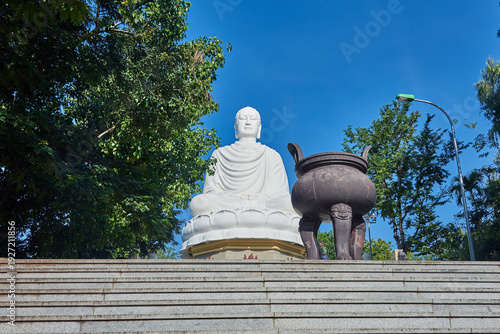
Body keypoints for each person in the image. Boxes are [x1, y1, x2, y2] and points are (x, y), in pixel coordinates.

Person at [189, 106, 295, 217]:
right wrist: (232, 198)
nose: (248, 123)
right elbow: (210, 190)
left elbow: (281, 193)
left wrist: (262, 198)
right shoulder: (219, 154)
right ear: (236, 127)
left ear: (259, 128)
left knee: (290, 202)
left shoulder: (272, 155)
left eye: (252, 119)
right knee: (199, 203)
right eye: (244, 119)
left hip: (264, 203)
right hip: (229, 202)